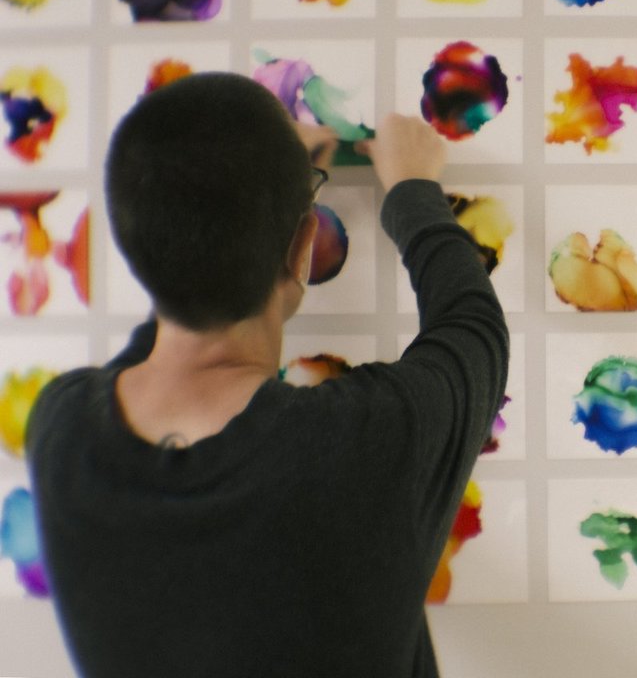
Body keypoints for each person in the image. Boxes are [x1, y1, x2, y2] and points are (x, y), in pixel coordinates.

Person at [25, 73, 508, 677]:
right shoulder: (362, 448)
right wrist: (413, 188)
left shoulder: (61, 431)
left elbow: (172, 286)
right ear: (304, 246)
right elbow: (474, 332)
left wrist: (237, 192)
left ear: (129, 243)